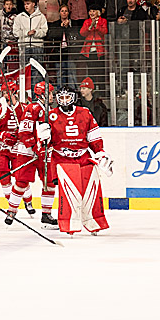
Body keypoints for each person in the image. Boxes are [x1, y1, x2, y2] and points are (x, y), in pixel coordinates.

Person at [39, 86, 112, 235]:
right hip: (62, 158)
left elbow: (94, 135)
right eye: (61, 98)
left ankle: (95, 222)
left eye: (67, 97)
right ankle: (68, 225)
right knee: (69, 193)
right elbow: (43, 144)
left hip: (83, 157)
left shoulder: (84, 113)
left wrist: (100, 152)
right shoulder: (51, 115)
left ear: (73, 97)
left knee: (91, 191)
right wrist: (44, 136)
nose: (64, 101)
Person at [4, 82, 55, 227]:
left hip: (44, 153)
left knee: (49, 182)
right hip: (28, 153)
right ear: (42, 95)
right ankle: (11, 211)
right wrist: (35, 146)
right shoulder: (32, 108)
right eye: (50, 93)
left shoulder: (51, 110)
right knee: (21, 182)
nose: (52, 96)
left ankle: (46, 214)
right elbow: (24, 132)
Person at [0, 81, 34, 212]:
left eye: (8, 92)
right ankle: (11, 204)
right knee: (4, 176)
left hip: (18, 147)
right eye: (3, 93)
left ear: (15, 93)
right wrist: (1, 135)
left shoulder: (24, 109)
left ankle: (28, 201)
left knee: (20, 176)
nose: (6, 95)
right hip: (1, 148)